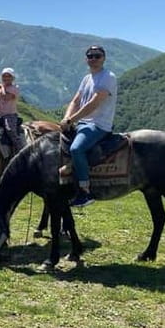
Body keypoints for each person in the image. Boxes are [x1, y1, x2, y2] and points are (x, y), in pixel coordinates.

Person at [60, 45, 118, 207]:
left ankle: (85, 191)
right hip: (82, 123)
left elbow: (94, 102)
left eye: (97, 56)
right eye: (90, 56)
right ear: (86, 59)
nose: (93, 59)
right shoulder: (87, 78)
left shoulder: (108, 76)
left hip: (98, 124)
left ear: (103, 58)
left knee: (76, 149)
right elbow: (76, 101)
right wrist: (66, 118)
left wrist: (71, 120)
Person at [0, 67, 23, 152]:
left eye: (9, 76)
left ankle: (20, 150)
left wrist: (2, 87)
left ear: (12, 78)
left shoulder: (14, 88)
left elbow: (6, 97)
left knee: (10, 130)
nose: (6, 78)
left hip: (9, 115)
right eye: (4, 76)